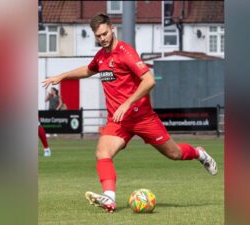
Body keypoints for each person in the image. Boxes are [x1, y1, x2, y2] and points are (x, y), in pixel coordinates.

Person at [42, 13, 217, 213]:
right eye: (98, 36)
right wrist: (62, 76)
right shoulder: (101, 57)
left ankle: (199, 153)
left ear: (112, 29)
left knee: (174, 153)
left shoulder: (126, 52)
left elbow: (149, 81)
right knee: (102, 152)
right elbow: (88, 70)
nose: (102, 39)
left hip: (142, 117)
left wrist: (127, 103)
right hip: (118, 121)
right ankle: (109, 197)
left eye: (105, 34)